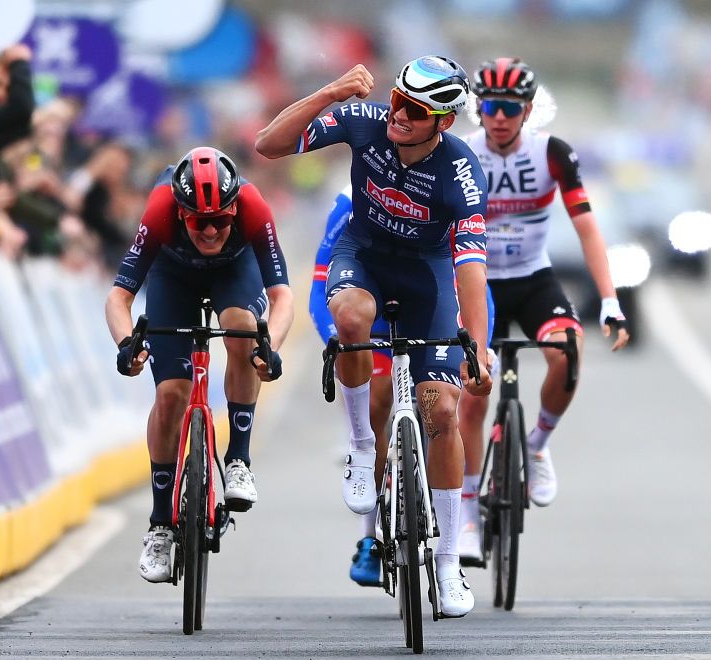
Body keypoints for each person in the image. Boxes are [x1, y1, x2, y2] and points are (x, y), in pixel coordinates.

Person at [257, 56, 492, 617]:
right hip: (361, 255)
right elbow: (269, 144)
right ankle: (364, 448)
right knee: (353, 320)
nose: (399, 114)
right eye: (396, 99)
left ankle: (447, 563)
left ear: (444, 123)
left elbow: (470, 270)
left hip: (426, 276)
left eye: (415, 110)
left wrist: (478, 347)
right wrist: (330, 90)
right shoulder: (366, 120)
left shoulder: (460, 173)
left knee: (441, 411)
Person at [456, 58, 629, 564]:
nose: (500, 117)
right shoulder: (460, 154)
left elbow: (588, 227)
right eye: (490, 106)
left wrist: (612, 301)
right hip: (478, 282)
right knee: (472, 387)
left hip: (533, 277)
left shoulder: (551, 152)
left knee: (568, 353)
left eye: (511, 108)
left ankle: (535, 444)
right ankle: (465, 511)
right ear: (478, 108)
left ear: (528, 110)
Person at [106, 146, 293, 583]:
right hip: (175, 280)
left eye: (220, 221)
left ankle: (239, 460)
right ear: (180, 213)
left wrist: (272, 347)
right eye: (197, 222)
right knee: (171, 394)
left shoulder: (252, 206)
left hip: (235, 274)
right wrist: (124, 343)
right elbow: (120, 297)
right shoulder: (159, 209)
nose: (210, 231)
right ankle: (159, 526)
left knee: (243, 329)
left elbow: (282, 295)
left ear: (234, 209)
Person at [311, 184, 498, 588]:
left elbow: (477, 285)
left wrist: (479, 350)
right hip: (374, 315)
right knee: (377, 403)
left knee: (442, 410)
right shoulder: (351, 199)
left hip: (432, 305)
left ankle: (450, 554)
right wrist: (339, 337)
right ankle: (369, 537)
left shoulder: (445, 192)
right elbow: (320, 285)